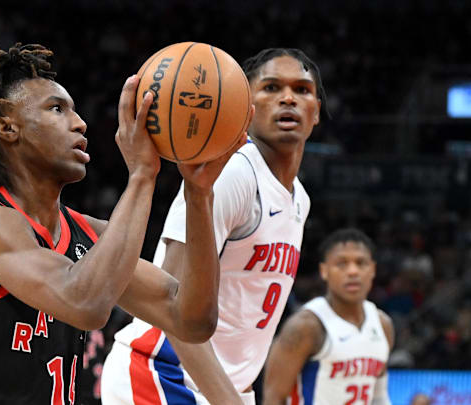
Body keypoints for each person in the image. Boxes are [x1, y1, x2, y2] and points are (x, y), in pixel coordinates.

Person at [0, 26, 249, 405]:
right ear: (8, 128)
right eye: (57, 109)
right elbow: (85, 304)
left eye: (75, 111)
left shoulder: (88, 235)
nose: (80, 123)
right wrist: (143, 175)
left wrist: (199, 193)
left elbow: (192, 321)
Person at [101, 48, 325, 404]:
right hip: (163, 373)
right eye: (270, 87)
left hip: (222, 387)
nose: (288, 98)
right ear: (243, 107)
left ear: (316, 113)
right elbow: (168, 302)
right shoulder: (232, 172)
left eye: (302, 89)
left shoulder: (300, 197)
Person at [262, 228, 394, 405]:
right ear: (324, 271)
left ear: (373, 270)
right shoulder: (306, 326)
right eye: (341, 263)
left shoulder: (382, 325)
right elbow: (273, 398)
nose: (353, 271)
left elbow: (379, 397)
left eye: (361, 263)